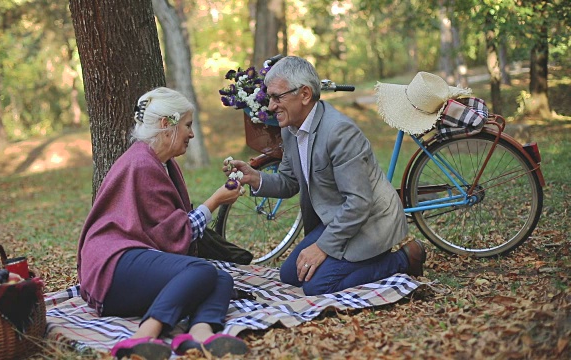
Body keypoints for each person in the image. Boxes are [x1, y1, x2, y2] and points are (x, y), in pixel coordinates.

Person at [224, 56, 426, 296]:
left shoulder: (340, 132)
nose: (270, 106)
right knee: (290, 275)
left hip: (370, 223)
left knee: (318, 287)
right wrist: (255, 177)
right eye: (270, 97)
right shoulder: (290, 129)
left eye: (278, 97)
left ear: (305, 95)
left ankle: (405, 258)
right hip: (339, 218)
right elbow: (289, 182)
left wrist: (322, 247)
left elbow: (359, 202)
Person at [77, 87, 248, 359]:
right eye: (188, 126)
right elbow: (176, 235)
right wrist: (215, 201)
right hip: (113, 266)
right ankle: (141, 338)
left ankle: (199, 336)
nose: (192, 134)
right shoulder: (143, 164)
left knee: (221, 277)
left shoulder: (161, 162)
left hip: (134, 261)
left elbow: (169, 231)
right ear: (166, 125)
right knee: (202, 271)